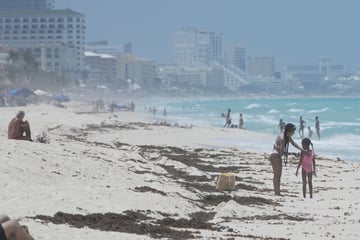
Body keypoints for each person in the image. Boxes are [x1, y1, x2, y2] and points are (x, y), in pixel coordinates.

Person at [269, 123, 304, 196]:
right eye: (293, 132)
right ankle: (277, 193)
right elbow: (282, 153)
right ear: (289, 131)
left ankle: (277, 192)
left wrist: (302, 150)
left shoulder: (285, 135)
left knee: (276, 175)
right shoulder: (283, 139)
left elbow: (293, 143)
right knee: (277, 176)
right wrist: (293, 154)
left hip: (273, 155)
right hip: (276, 156)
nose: (293, 134)